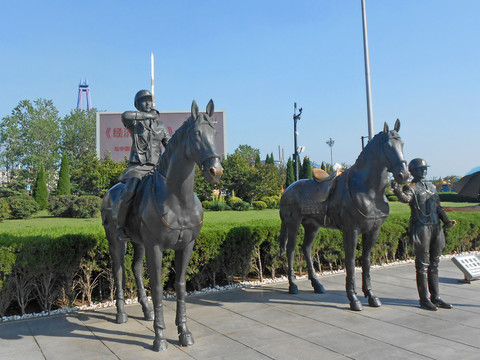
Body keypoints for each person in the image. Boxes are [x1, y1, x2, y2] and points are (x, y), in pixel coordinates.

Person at [392, 158, 456, 311]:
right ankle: (424, 299)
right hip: (421, 228)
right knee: (422, 265)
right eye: (420, 169)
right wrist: (397, 190)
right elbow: (406, 199)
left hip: (436, 227)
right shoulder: (411, 186)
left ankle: (436, 297)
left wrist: (446, 221)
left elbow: (438, 208)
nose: (424, 171)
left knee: (434, 264)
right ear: (412, 171)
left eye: (425, 168)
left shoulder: (432, 187)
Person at [117, 90, 170, 241]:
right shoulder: (133, 123)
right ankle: (121, 227)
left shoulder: (161, 126)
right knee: (128, 193)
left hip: (157, 169)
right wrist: (148, 115)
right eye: (144, 101)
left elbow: (169, 146)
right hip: (138, 168)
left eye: (149, 100)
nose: (148, 103)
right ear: (137, 104)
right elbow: (125, 115)